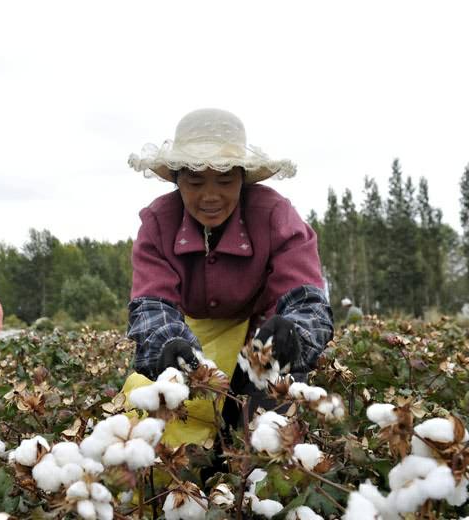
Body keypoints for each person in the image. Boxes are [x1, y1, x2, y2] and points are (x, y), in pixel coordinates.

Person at [123, 108, 334, 447]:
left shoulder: (275, 216)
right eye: (194, 181)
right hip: (189, 336)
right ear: (177, 180)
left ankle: (243, 485)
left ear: (242, 179)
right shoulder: (158, 223)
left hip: (262, 337)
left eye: (224, 181)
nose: (210, 196)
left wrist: (293, 333)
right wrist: (168, 346)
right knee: (158, 422)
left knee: (260, 433)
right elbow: (152, 305)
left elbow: (307, 300)